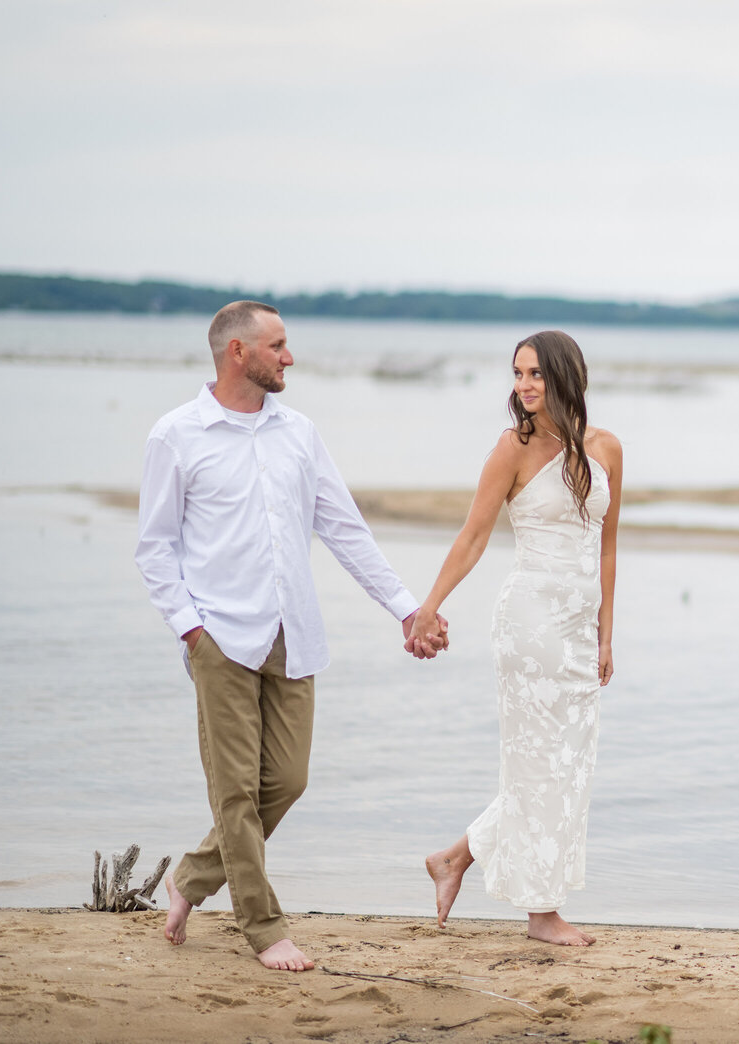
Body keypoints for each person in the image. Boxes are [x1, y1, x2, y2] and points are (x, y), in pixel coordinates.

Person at [135, 300, 447, 972]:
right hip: (218, 636)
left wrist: (405, 609)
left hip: (292, 632)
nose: (290, 356)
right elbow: (155, 548)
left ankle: (190, 877)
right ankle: (263, 926)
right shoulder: (176, 435)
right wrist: (191, 630)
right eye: (277, 346)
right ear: (237, 353)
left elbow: (343, 528)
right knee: (236, 791)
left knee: (289, 780)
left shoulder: (300, 433)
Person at [411, 330, 622, 947]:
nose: (524, 386)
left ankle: (455, 859)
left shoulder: (606, 447)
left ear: (565, 376)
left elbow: (607, 548)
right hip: (530, 625)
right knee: (538, 764)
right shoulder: (513, 449)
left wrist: (606, 636)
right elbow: (474, 536)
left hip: (581, 631)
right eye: (518, 374)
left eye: (535, 374)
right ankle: (540, 914)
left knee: (569, 766)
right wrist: (430, 605)